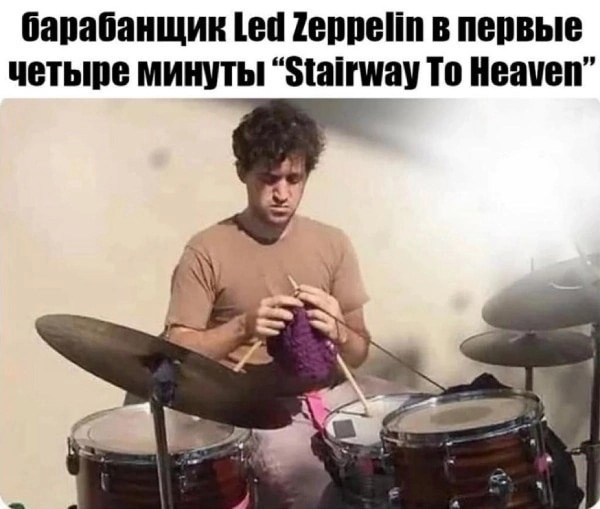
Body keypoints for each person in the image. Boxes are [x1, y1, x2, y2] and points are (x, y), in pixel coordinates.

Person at [164, 100, 401, 508]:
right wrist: (244, 327)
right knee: (315, 489)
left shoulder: (332, 243)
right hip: (254, 410)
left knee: (414, 436)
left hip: (333, 396)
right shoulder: (206, 249)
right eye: (269, 178)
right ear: (242, 172)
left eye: (294, 179)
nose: (282, 193)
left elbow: (358, 351)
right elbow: (175, 349)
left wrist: (338, 330)